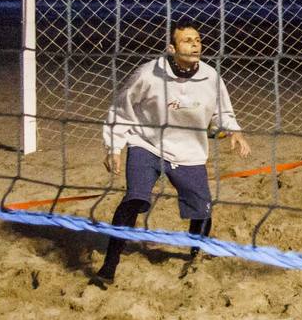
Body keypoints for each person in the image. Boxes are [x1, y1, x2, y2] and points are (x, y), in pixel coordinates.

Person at [93, 20, 250, 286]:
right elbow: (121, 110)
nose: (195, 44)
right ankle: (109, 266)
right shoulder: (147, 74)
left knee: (202, 209)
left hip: (189, 151)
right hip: (147, 144)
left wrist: (235, 132)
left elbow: (222, 112)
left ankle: (196, 254)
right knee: (134, 200)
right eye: (187, 40)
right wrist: (114, 148)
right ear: (171, 47)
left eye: (198, 40)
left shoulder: (210, 76)